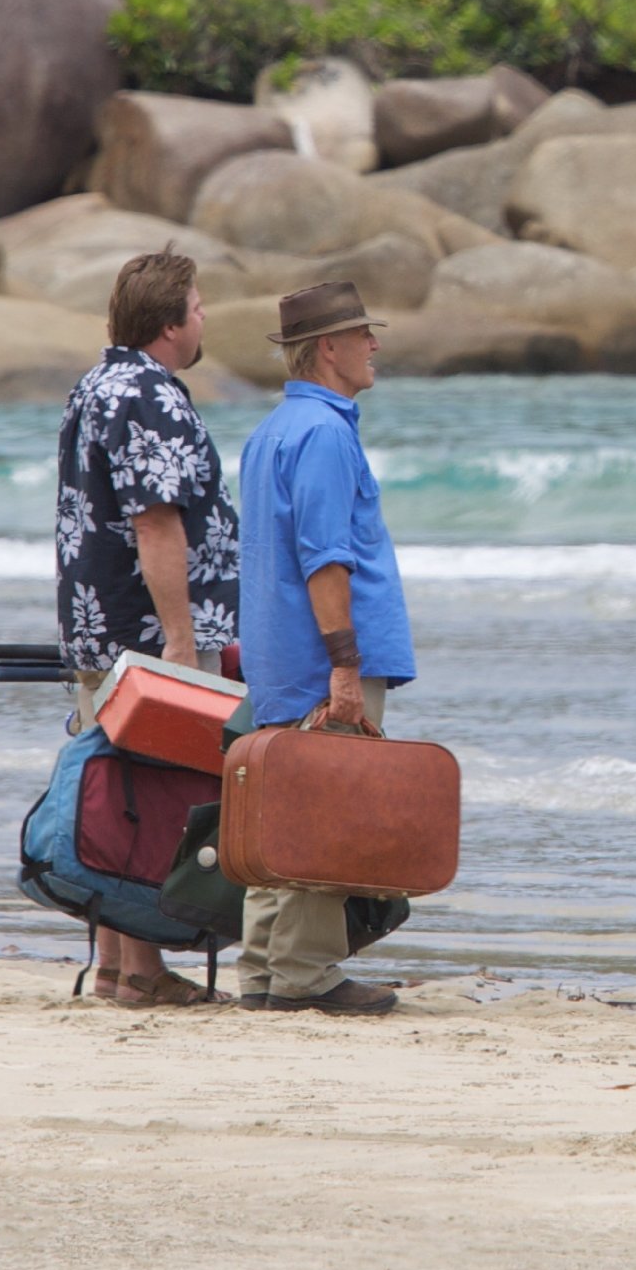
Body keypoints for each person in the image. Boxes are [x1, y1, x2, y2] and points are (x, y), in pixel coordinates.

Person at [54, 248, 240, 1010]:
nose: (203, 318)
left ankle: (112, 964)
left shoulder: (98, 383)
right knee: (148, 795)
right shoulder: (148, 393)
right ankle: (142, 970)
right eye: (196, 307)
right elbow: (156, 521)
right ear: (169, 324)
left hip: (99, 626)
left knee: (113, 794)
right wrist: (181, 641)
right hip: (143, 633)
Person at [233, 279, 418, 1018]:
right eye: (362, 334)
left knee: (279, 814)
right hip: (318, 660)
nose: (374, 344)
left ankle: (262, 971)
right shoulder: (324, 434)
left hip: (279, 657)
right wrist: (345, 664)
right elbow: (325, 559)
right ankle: (305, 974)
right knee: (326, 812)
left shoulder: (273, 430)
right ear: (329, 348)